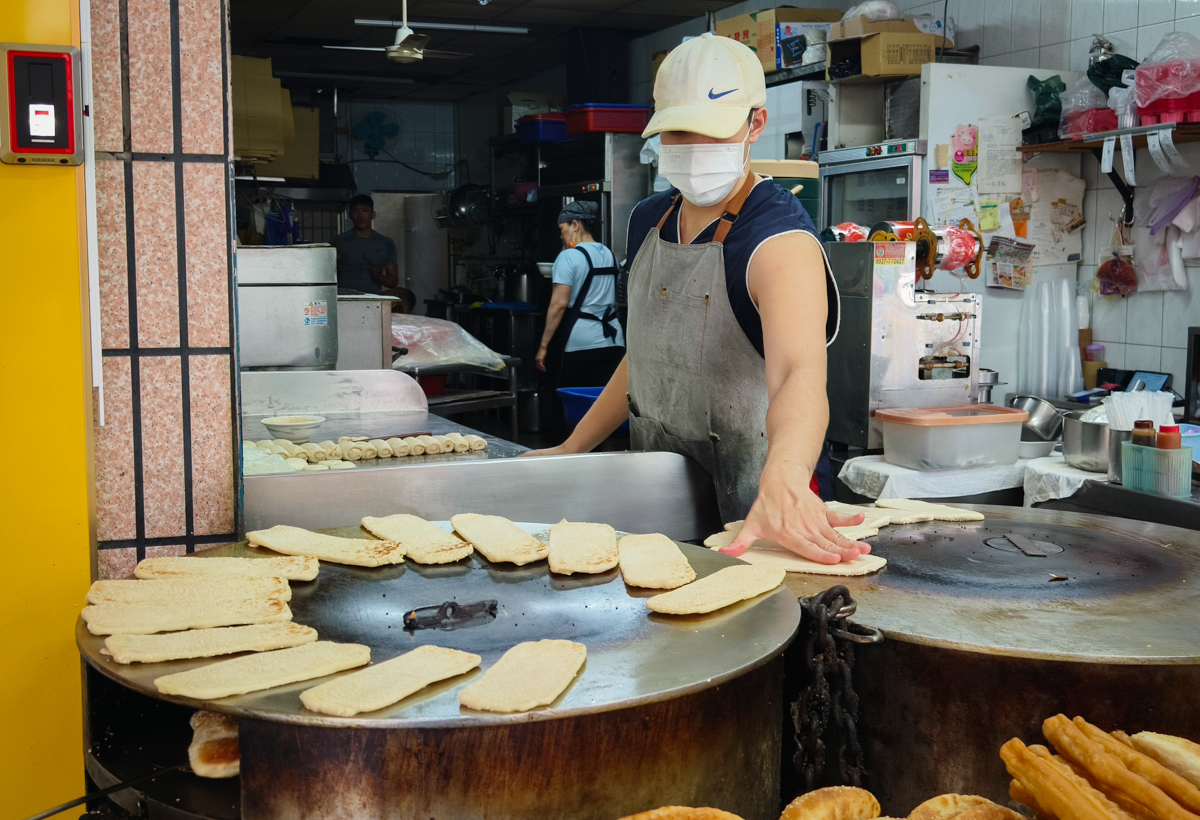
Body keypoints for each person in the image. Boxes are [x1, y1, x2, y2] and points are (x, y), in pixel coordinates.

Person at [523, 33, 869, 566]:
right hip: (662, 498)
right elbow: (644, 361)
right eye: (675, 131)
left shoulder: (779, 243)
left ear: (755, 123)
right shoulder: (647, 220)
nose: (689, 147)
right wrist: (573, 448)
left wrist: (784, 474)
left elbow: (799, 373)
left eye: (708, 131)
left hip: (765, 515)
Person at [534, 200, 626, 392]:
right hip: (614, 342)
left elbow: (559, 304)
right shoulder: (609, 254)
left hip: (580, 345)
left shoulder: (569, 257)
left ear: (575, 225)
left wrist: (543, 345)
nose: (561, 235)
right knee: (603, 406)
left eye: (562, 228)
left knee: (577, 406)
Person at [331, 194, 398, 294]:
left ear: (373, 214)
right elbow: (323, 274)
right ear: (350, 215)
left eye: (365, 210)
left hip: (373, 300)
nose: (360, 215)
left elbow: (393, 282)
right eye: (355, 211)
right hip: (344, 300)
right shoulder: (339, 241)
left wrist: (379, 276)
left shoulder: (386, 243)